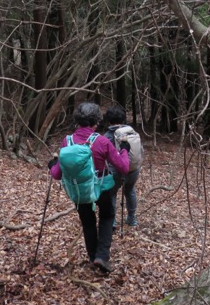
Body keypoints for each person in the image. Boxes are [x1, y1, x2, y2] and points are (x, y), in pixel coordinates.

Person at [48, 102, 130, 273]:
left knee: (88, 223)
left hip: (79, 191)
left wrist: (53, 163)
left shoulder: (67, 141)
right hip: (101, 189)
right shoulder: (101, 141)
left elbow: (56, 174)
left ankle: (93, 257)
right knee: (107, 216)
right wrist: (124, 149)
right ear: (97, 121)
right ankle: (102, 256)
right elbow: (123, 167)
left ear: (77, 120)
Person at [104, 103, 142, 227]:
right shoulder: (132, 132)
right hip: (133, 168)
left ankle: (113, 221)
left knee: (111, 193)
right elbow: (141, 151)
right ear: (123, 119)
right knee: (130, 190)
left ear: (108, 120)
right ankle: (132, 218)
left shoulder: (108, 136)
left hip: (116, 170)